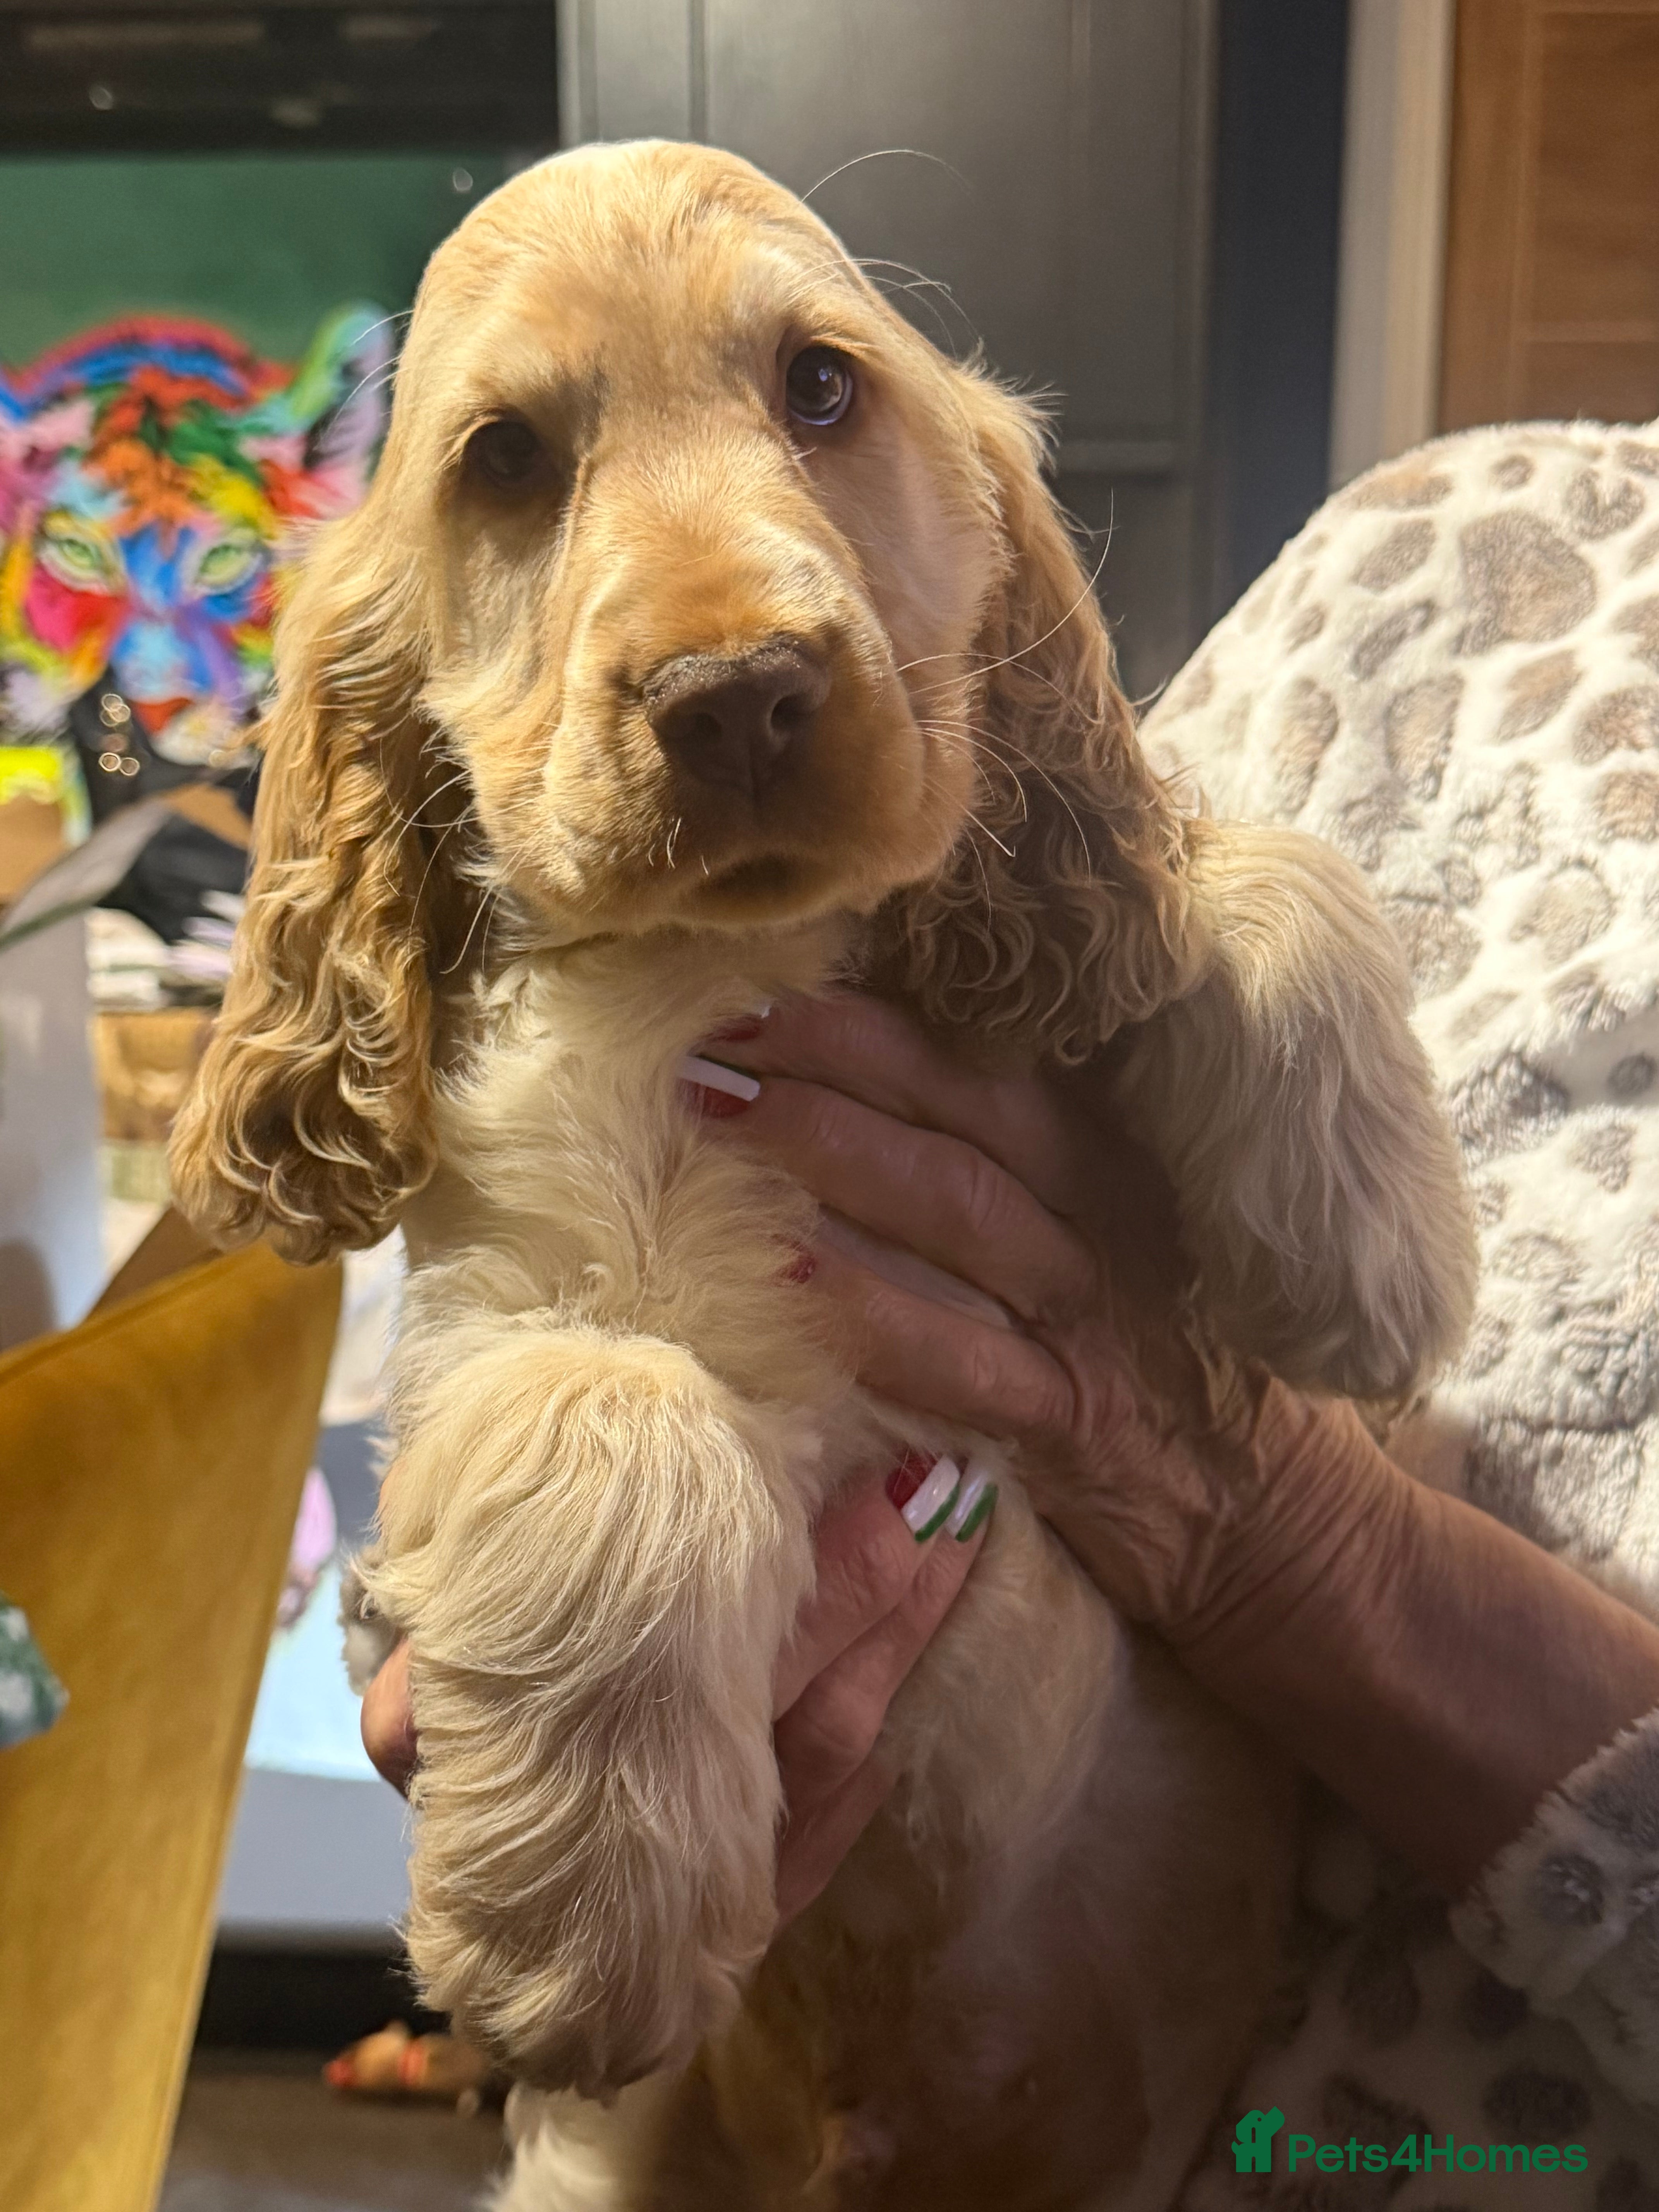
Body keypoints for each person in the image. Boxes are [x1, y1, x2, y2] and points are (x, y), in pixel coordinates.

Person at [363, 991, 1659, 2116]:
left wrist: (1301, 1539)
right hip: (708, 2112)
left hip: (1347, 2144)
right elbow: (412, 1664)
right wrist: (550, 1593)